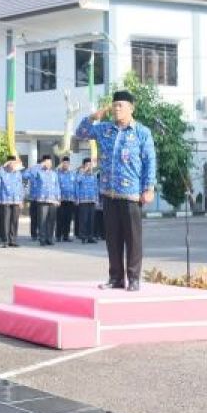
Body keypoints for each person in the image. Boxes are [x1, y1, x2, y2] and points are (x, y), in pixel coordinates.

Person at [76, 90, 157, 291]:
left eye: (121, 105)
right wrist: (93, 117)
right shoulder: (104, 129)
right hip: (109, 193)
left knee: (133, 239)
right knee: (112, 239)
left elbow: (149, 161)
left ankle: (134, 278)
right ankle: (115, 278)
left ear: (131, 108)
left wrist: (149, 187)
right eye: (114, 105)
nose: (117, 109)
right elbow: (80, 133)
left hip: (131, 194)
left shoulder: (141, 132)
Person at [24, 155, 60, 245]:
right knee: (42, 220)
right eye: (47, 162)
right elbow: (25, 175)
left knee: (51, 220)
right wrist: (37, 166)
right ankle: (42, 239)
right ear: (43, 163)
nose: (49, 164)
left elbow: (57, 186)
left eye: (50, 162)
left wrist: (58, 198)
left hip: (52, 200)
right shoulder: (38, 172)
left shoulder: (54, 174)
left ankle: (50, 238)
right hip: (42, 200)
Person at [0, 156, 24, 247]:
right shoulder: (2, 171)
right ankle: (5, 240)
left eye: (14, 163)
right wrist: (2, 166)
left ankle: (13, 240)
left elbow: (21, 187)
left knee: (14, 221)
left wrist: (21, 200)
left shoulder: (18, 173)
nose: (13, 165)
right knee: (5, 221)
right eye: (11, 163)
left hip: (16, 200)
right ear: (8, 163)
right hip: (5, 200)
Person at [76, 157, 99, 244]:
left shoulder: (93, 176)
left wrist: (96, 199)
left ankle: (90, 236)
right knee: (84, 219)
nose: (89, 166)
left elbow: (96, 187)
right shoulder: (80, 174)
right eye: (87, 165)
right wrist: (84, 171)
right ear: (84, 165)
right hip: (83, 200)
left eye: (90, 165)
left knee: (91, 219)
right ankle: (83, 236)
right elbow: (77, 182)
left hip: (92, 200)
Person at [56, 156, 77, 242]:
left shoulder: (72, 174)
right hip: (61, 200)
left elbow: (75, 186)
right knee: (60, 218)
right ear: (61, 164)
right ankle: (58, 236)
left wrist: (76, 197)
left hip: (70, 199)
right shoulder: (57, 173)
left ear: (69, 164)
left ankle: (66, 236)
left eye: (67, 163)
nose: (66, 165)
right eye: (64, 163)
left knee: (68, 219)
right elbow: (55, 186)